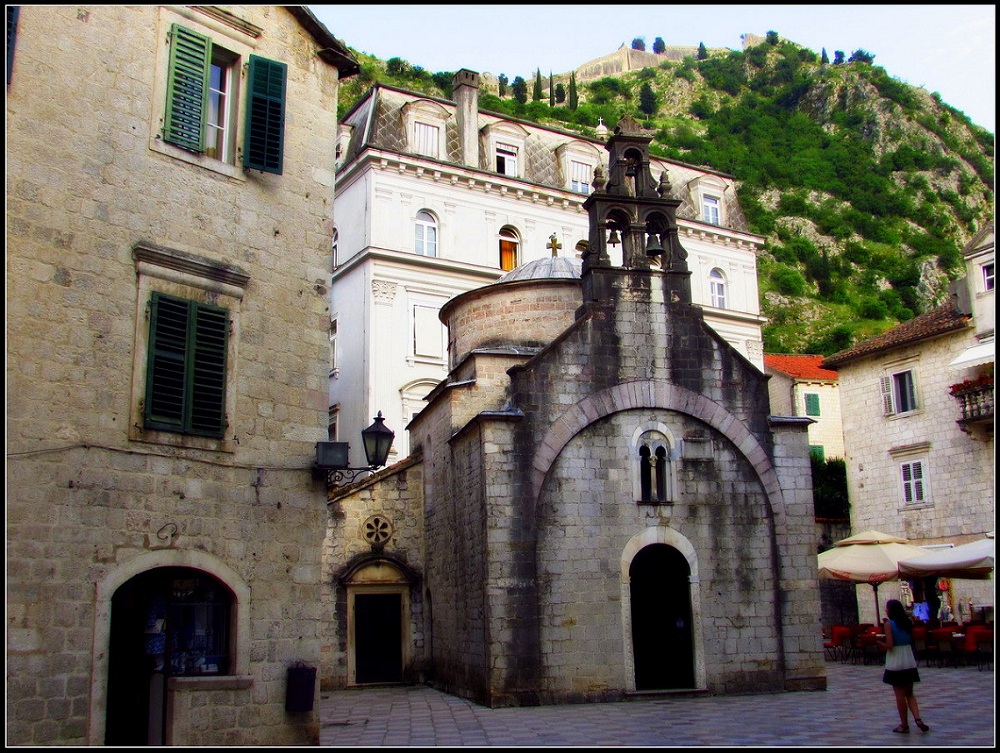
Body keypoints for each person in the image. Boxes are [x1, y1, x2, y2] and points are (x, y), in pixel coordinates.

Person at [881, 599, 929, 734]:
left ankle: (904, 725)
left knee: (899, 695)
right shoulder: (908, 623)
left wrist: (880, 644)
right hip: (908, 658)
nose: (886, 610)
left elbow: (890, 644)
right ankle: (918, 718)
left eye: (887, 608)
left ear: (891, 610)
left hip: (896, 659)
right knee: (910, 693)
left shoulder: (889, 624)